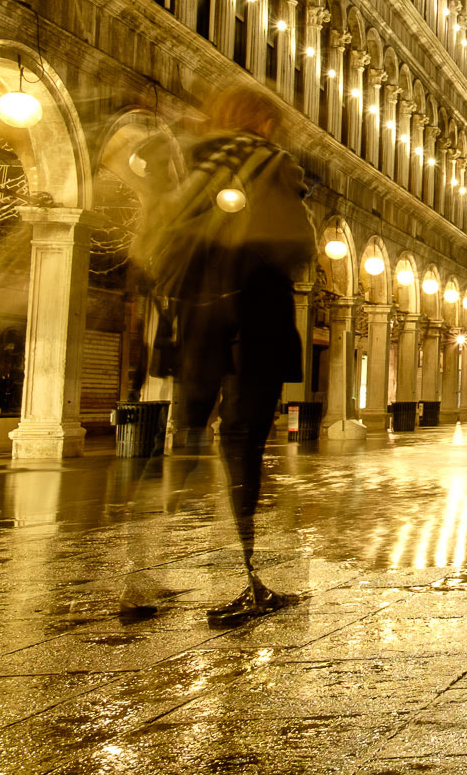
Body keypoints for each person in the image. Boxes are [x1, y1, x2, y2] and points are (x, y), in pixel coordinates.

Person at [142, 86, 314, 627]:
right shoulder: (271, 163)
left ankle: (140, 574)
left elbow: (156, 243)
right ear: (263, 122)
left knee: (185, 438)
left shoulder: (194, 163)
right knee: (241, 443)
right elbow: (295, 243)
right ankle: (244, 580)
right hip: (256, 316)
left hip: (196, 319)